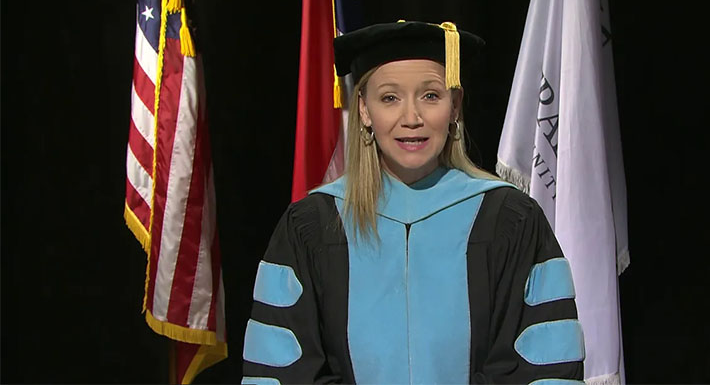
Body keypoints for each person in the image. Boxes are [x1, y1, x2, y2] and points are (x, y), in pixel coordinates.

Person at [242, 20, 585, 384]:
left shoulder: (509, 219)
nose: (411, 118)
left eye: (431, 96)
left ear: (455, 106)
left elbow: (545, 366)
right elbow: (282, 371)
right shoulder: (312, 226)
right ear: (363, 110)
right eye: (390, 98)